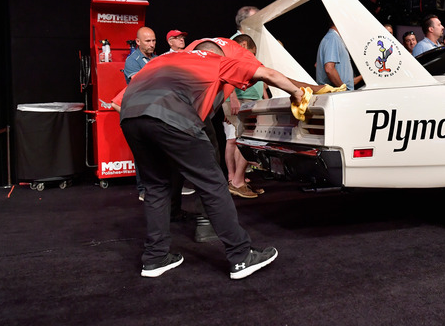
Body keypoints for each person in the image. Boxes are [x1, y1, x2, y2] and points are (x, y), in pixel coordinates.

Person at [118, 39, 308, 278]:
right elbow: (267, 74)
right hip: (172, 115)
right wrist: (298, 93)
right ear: (220, 53)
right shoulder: (215, 61)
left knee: (156, 187)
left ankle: (155, 258)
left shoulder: (163, 59)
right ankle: (241, 256)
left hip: (130, 116)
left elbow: (125, 93)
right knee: (213, 184)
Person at [224, 34, 269, 199]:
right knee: (243, 139)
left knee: (242, 139)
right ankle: (236, 182)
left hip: (248, 100)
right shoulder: (233, 55)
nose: (252, 56)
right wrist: (232, 99)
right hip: (239, 100)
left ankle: (239, 180)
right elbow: (226, 77)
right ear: (244, 44)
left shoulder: (240, 57)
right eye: (252, 52)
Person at [316, 23, 360, 90]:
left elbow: (347, 82)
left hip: (342, 93)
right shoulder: (332, 38)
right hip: (340, 95)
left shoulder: (335, 38)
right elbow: (329, 69)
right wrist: (344, 90)